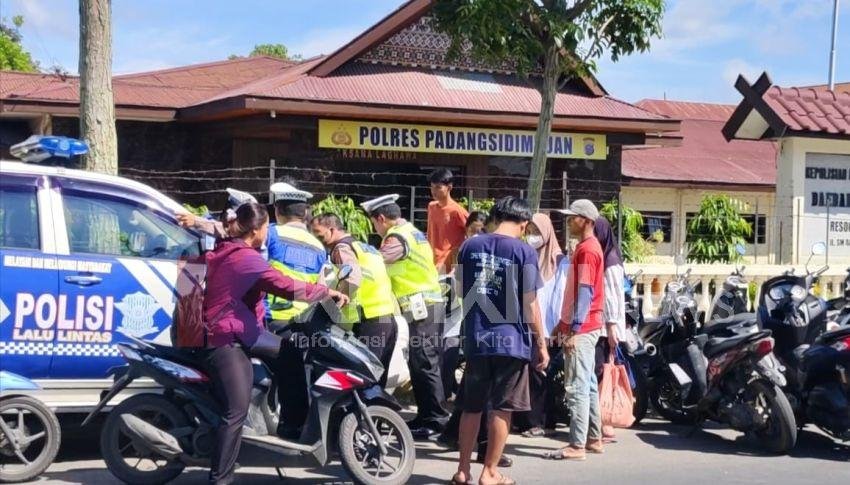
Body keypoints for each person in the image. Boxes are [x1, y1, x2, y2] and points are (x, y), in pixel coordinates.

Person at [201, 202, 348, 484]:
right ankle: (220, 478)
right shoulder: (246, 259)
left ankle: (290, 427)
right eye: (266, 227)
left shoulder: (231, 249)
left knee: (289, 353)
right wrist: (326, 292)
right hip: (225, 338)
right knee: (235, 410)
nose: (268, 232)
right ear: (256, 230)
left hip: (246, 331)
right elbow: (287, 286)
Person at [452, 196, 550, 485]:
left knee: (471, 406)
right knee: (502, 407)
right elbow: (530, 303)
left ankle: (462, 470)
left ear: (496, 217)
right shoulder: (524, 252)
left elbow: (459, 289)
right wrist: (541, 344)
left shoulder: (469, 246)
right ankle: (490, 472)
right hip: (511, 341)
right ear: (523, 223)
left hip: (477, 337)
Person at [361, 194, 449, 438]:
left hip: (423, 307)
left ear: (380, 219)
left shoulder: (396, 239)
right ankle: (426, 416)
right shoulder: (412, 231)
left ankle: (436, 420)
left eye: (374, 223)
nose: (375, 229)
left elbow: (374, 264)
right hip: (426, 306)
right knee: (421, 363)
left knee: (425, 363)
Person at [544, 199, 605, 461]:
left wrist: (574, 330)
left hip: (583, 327)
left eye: (574, 217)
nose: (569, 221)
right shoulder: (586, 247)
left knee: (578, 386)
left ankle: (577, 445)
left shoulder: (588, 250)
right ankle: (593, 438)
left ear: (588, 221)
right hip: (585, 325)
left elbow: (585, 292)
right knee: (588, 384)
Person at [267, 182, 328, 439]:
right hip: (304, 321)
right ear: (305, 214)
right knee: (297, 374)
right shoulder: (318, 246)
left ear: (278, 210)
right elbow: (323, 285)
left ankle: (281, 427)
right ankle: (293, 426)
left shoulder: (271, 234)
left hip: (273, 317)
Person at [310, 212, 398, 386]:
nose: (319, 240)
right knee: (375, 380)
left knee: (360, 380)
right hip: (387, 319)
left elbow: (352, 277)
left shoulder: (341, 248)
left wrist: (339, 301)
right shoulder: (365, 247)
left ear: (332, 230)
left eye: (320, 235)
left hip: (369, 321)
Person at [515, 213, 569, 437]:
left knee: (540, 374)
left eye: (536, 232)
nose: (532, 237)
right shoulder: (528, 258)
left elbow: (561, 297)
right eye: (529, 232)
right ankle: (527, 419)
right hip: (529, 324)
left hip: (550, 328)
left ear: (547, 232)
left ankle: (542, 421)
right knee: (529, 372)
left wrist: (555, 330)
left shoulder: (560, 262)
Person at [593, 216, 627, 442]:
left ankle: (605, 422)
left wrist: (612, 326)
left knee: (603, 373)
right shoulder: (603, 257)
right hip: (602, 325)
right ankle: (599, 422)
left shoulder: (611, 261)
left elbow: (613, 297)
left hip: (607, 328)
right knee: (598, 373)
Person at [426, 168, 468, 274]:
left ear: (449, 187)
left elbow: (474, 232)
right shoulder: (431, 207)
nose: (433, 191)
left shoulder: (457, 211)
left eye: (438, 187)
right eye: (432, 187)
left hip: (448, 267)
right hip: (431, 262)